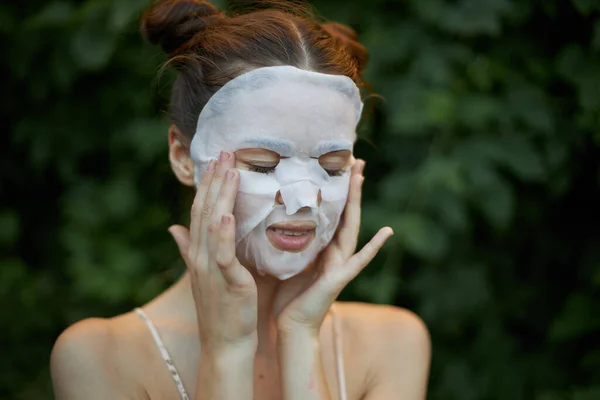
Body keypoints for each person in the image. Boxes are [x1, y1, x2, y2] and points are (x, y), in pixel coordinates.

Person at [50, 1, 431, 399]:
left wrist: (300, 338)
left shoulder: (394, 343)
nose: (303, 201)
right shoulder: (101, 358)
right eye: (263, 166)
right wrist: (226, 353)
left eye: (332, 168)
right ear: (183, 156)